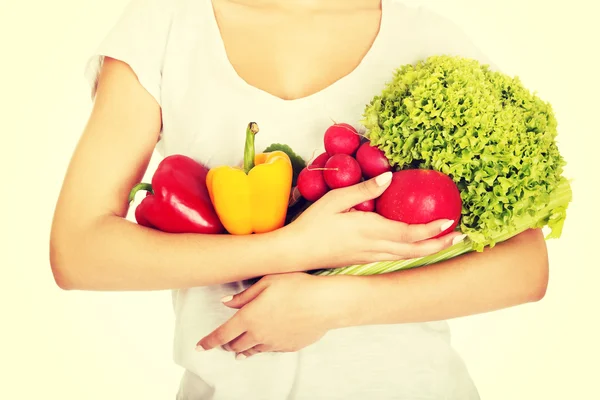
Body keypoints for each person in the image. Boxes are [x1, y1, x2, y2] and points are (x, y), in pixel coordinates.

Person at [49, 0, 549, 398]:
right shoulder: (167, 24)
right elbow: (77, 253)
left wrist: (335, 303)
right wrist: (295, 248)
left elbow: (526, 266)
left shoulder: (427, 39)